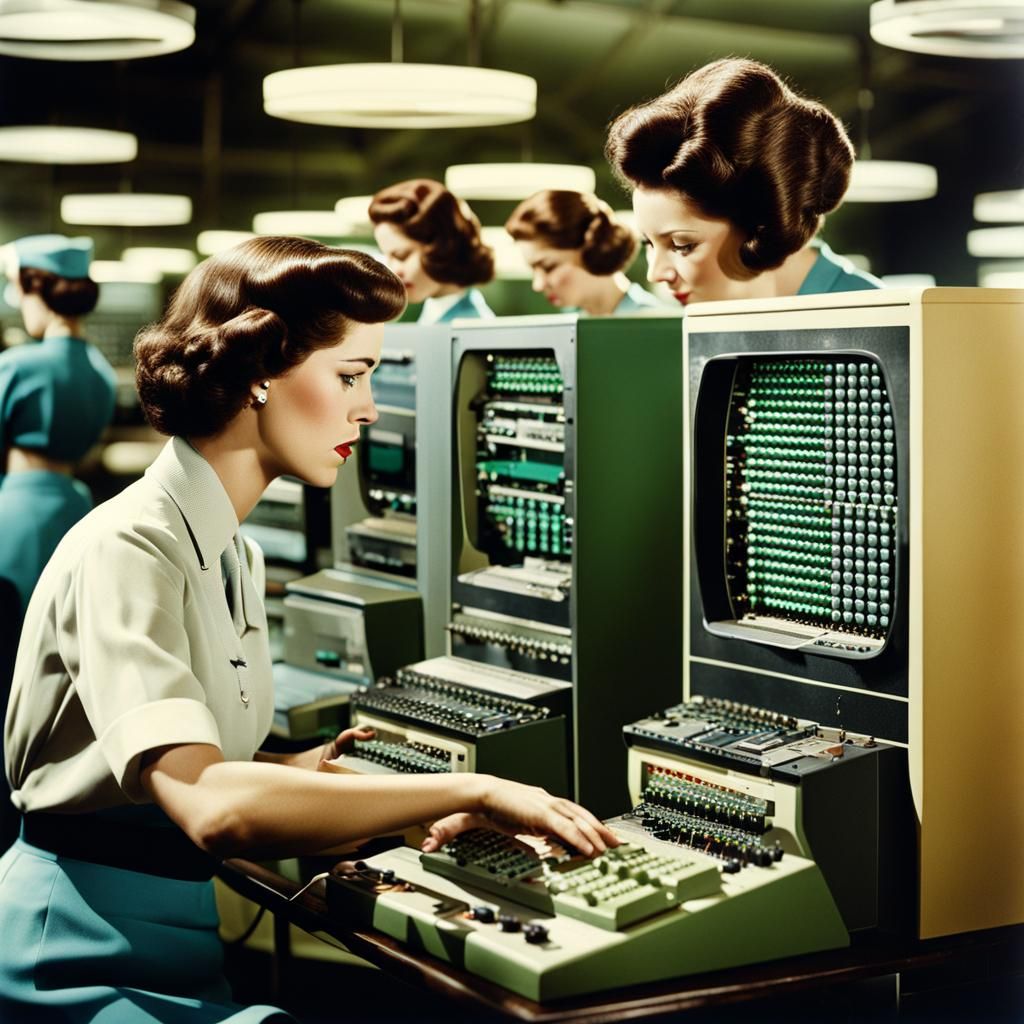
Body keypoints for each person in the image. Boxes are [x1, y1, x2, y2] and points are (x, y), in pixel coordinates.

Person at [0, 236, 616, 1023]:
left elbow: (190, 765)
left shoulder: (234, 552)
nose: (370, 407)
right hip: (71, 956)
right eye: (351, 376)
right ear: (258, 373)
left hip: (172, 940)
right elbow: (212, 805)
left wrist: (339, 784)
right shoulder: (130, 546)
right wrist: (477, 787)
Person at [605, 58, 882, 308]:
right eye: (649, 244)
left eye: (682, 245)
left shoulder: (882, 319)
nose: (655, 273)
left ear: (762, 227)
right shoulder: (711, 320)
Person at [0, 234, 116, 618]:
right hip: (77, 510)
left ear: (38, 290)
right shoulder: (101, 373)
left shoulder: (16, 366)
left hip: (13, 514)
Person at [505, 190, 661, 315]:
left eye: (548, 267)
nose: (538, 285)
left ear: (594, 252)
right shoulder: (568, 323)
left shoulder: (656, 324)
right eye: (533, 270)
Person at [369, 178, 496, 322]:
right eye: (385, 256)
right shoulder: (434, 310)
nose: (392, 270)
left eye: (402, 256)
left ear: (442, 249)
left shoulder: (472, 325)